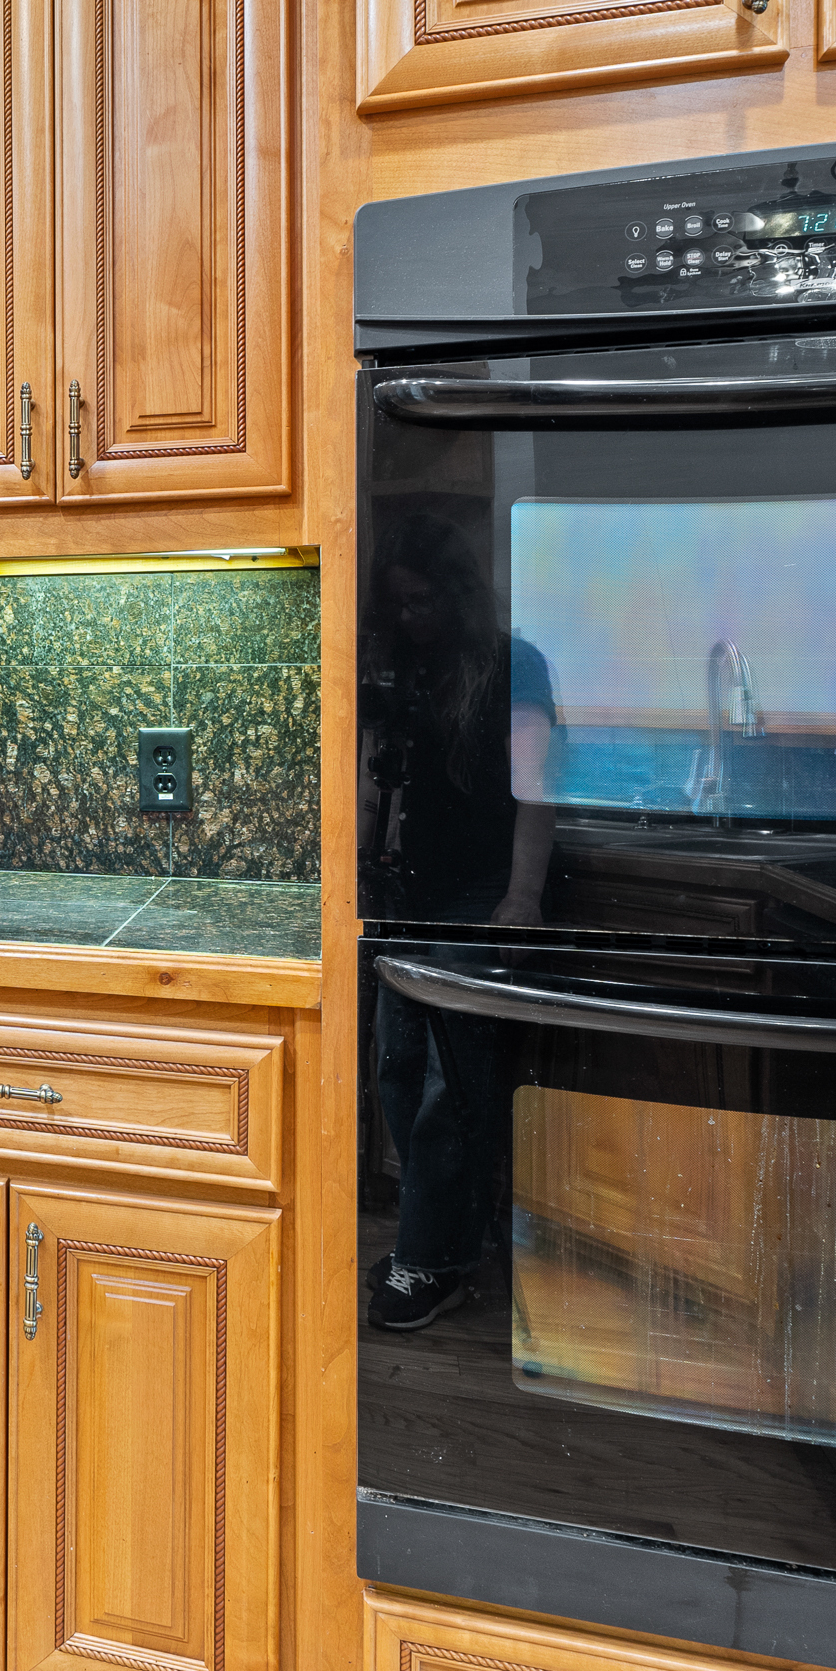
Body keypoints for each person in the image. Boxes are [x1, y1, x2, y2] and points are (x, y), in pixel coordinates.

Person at [361, 512, 557, 1330]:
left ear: (459, 595)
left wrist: (523, 895)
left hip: (481, 896)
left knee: (452, 1087)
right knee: (397, 1069)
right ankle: (442, 1234)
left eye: (420, 603)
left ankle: (432, 1259)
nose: (408, 619)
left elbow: (535, 785)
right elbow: (379, 783)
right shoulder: (408, 665)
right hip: (412, 895)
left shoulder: (516, 664)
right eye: (398, 606)